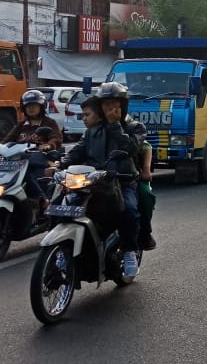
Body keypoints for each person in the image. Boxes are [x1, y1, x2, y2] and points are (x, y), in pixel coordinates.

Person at [61, 82, 144, 278]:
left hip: (122, 183)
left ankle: (129, 251)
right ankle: (62, 248)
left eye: (114, 103)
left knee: (130, 211)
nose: (110, 108)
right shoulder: (93, 131)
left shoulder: (134, 127)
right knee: (62, 205)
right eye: (106, 104)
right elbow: (77, 151)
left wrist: (115, 126)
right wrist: (59, 164)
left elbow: (132, 149)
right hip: (92, 184)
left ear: (123, 105)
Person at [2, 89, 63, 211]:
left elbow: (56, 138)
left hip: (39, 158)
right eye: (28, 106)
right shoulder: (21, 124)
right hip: (19, 158)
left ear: (41, 106)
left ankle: (43, 199)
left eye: (34, 105)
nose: (31, 108)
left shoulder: (49, 123)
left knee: (26, 172)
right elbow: (7, 140)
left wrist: (48, 145)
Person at [125, 118, 157, 251]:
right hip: (104, 178)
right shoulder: (96, 133)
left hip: (130, 178)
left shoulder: (137, 139)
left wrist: (145, 171)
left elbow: (146, 170)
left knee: (144, 194)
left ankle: (145, 233)